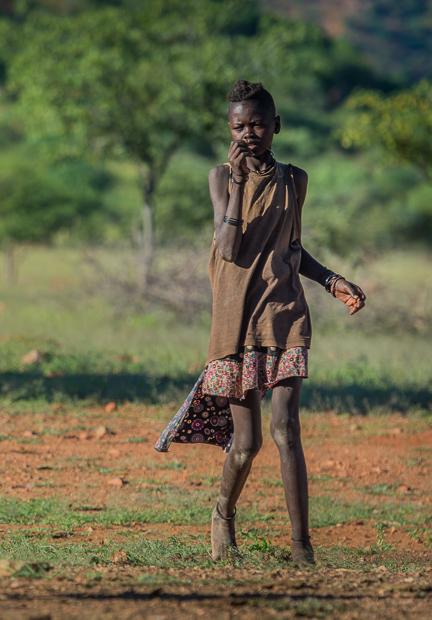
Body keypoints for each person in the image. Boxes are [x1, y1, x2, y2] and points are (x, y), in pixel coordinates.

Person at [154, 80, 366, 567]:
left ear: (276, 126)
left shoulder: (296, 180)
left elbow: (290, 248)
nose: (248, 133)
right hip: (235, 321)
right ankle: (223, 513)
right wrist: (237, 183)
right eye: (238, 126)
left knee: (287, 430)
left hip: (286, 314)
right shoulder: (219, 179)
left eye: (257, 124)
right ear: (228, 129)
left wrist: (332, 280)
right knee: (246, 444)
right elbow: (227, 248)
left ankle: (301, 548)